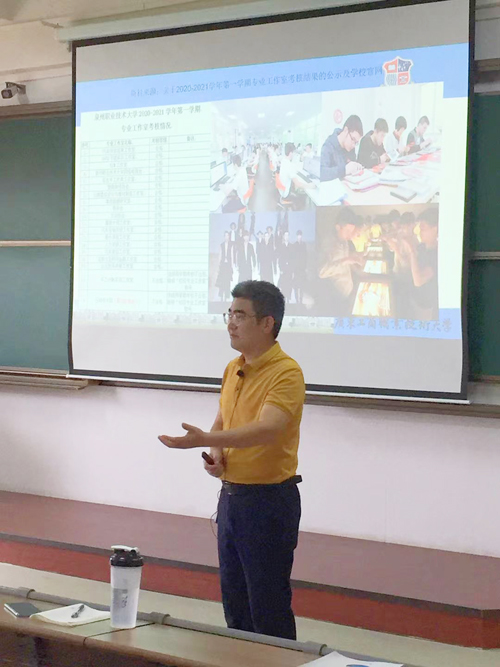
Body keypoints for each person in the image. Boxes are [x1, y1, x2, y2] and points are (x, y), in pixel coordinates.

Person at [158, 280, 305, 640]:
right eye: (229, 314)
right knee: (235, 603)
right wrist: (216, 455)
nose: (230, 323)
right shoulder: (233, 367)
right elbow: (224, 418)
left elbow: (267, 429)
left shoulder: (286, 372)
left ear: (267, 323)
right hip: (231, 499)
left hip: (268, 502)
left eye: (240, 315)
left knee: (267, 605)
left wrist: (204, 440)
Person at [318, 208, 364, 315]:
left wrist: (353, 258)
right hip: (336, 299)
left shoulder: (344, 241)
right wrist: (345, 260)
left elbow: (346, 262)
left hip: (348, 293)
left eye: (351, 231)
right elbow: (321, 272)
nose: (350, 235)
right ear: (338, 227)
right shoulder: (328, 244)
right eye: (347, 231)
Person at [401, 207, 439, 320]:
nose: (419, 232)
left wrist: (412, 251)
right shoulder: (422, 247)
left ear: (436, 229)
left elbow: (419, 280)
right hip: (414, 296)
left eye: (423, 228)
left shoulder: (437, 254)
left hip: (424, 304)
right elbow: (412, 265)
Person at [320, 115, 363, 181]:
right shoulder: (328, 146)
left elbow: (352, 164)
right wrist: (344, 170)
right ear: (346, 130)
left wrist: (356, 167)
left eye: (356, 143)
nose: (354, 145)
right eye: (353, 139)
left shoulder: (350, 147)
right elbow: (322, 173)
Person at [215, 231, 233, 302]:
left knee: (227, 280)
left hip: (228, 265)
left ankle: (226, 296)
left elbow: (232, 255)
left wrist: (232, 265)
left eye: (227, 236)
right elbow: (220, 255)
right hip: (222, 265)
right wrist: (218, 265)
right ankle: (221, 296)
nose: (226, 237)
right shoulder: (221, 245)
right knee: (222, 280)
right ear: (224, 237)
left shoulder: (231, 245)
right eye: (225, 236)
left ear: (229, 237)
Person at [292, 230, 307, 305]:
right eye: (298, 236)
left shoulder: (304, 244)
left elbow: (306, 256)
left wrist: (305, 267)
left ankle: (300, 300)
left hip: (302, 268)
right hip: (296, 268)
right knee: (296, 285)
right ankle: (297, 300)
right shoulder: (294, 245)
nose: (299, 237)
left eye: (300, 236)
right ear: (296, 236)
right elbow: (293, 257)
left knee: (301, 285)